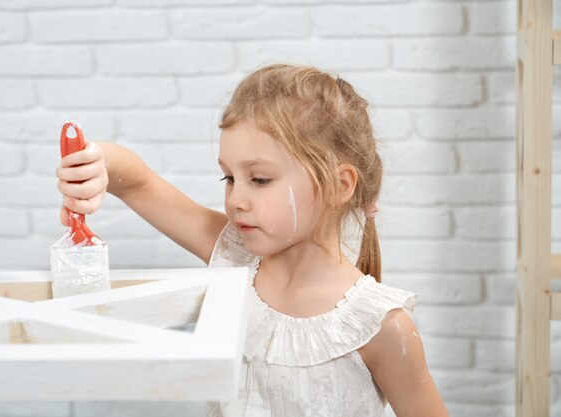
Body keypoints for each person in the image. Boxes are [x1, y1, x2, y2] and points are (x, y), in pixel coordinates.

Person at [56, 64, 449, 417]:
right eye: (228, 177)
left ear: (338, 185)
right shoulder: (233, 256)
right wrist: (96, 163)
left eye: (259, 179)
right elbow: (139, 183)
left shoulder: (381, 327)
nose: (236, 199)